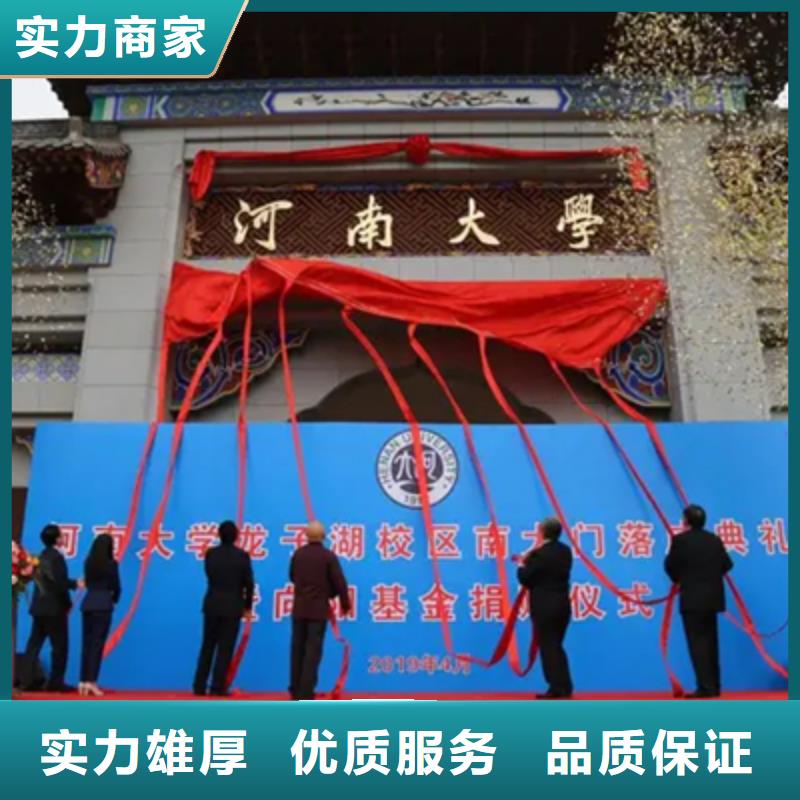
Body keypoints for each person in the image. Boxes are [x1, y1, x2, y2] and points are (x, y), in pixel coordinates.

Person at [665, 503, 734, 698]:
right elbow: (727, 564)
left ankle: (705, 687)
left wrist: (680, 579)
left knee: (697, 645)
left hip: (692, 599)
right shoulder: (714, 539)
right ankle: (714, 686)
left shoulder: (680, 541)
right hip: (712, 599)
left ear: (685, 521)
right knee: (711, 643)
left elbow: (670, 565)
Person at [288, 520, 350, 700]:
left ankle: (295, 689)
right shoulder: (328, 556)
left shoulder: (298, 554)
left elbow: (292, 576)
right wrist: (344, 603)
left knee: (297, 649)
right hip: (318, 610)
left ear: (306, 535)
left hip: (299, 609)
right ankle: (306, 691)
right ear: (323, 536)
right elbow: (340, 582)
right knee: (312, 652)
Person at [193, 520, 254, 697]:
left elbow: (209, 575)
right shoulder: (242, 556)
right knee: (225, 648)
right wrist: (248, 607)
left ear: (218, 535)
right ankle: (217, 686)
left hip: (212, 604)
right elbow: (249, 584)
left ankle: (199, 685)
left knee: (208, 645)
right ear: (236, 536)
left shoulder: (210, 554)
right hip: (232, 606)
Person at [517, 517, 573, 699]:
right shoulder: (566, 551)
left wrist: (521, 564)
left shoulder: (540, 554)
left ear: (541, 532)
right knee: (556, 645)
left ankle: (556, 688)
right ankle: (564, 685)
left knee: (549, 647)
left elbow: (526, 578)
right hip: (563, 605)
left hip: (544, 607)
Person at [21, 524, 82, 692]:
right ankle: (56, 682)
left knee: (34, 645)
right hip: (54, 609)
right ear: (56, 539)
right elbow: (59, 583)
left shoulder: (40, 557)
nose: (63, 537)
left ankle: (25, 680)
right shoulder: (57, 557)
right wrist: (75, 585)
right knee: (60, 646)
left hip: (39, 608)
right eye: (61, 535)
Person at [79, 533, 121, 697]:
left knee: (87, 644)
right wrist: (114, 599)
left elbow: (87, 583)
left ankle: (83, 681)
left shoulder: (88, 562)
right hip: (103, 605)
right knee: (97, 645)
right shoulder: (111, 564)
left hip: (88, 603)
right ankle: (92, 681)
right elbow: (116, 586)